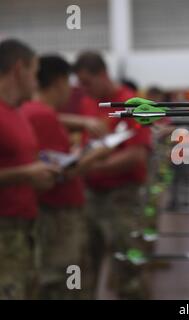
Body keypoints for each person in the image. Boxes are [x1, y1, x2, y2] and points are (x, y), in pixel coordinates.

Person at [21, 55, 107, 299]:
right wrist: (97, 154)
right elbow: (60, 173)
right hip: (58, 214)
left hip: (52, 213)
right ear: (59, 81)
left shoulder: (36, 112)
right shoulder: (42, 114)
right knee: (65, 281)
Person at [74, 51, 151, 299]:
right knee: (86, 260)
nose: (84, 89)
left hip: (122, 196)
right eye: (81, 84)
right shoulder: (88, 104)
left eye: (87, 82)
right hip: (91, 194)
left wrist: (93, 167)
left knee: (127, 260)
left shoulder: (132, 104)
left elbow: (136, 155)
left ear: (103, 75)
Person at [0, 39, 59, 299]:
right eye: (34, 73)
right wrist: (24, 175)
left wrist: (40, 174)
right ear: (18, 69)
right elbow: (20, 171)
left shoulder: (18, 113)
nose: (37, 82)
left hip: (26, 232)